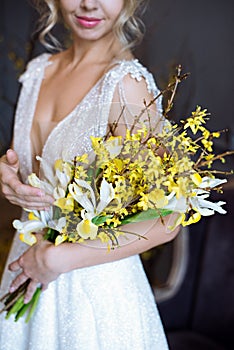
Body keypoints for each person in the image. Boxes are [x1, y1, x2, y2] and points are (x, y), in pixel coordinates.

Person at [0, 1, 179, 349]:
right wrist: (8, 179)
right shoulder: (38, 71)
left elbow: (169, 217)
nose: (88, 3)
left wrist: (59, 258)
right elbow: (32, 172)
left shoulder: (127, 85)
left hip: (93, 296)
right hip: (24, 274)